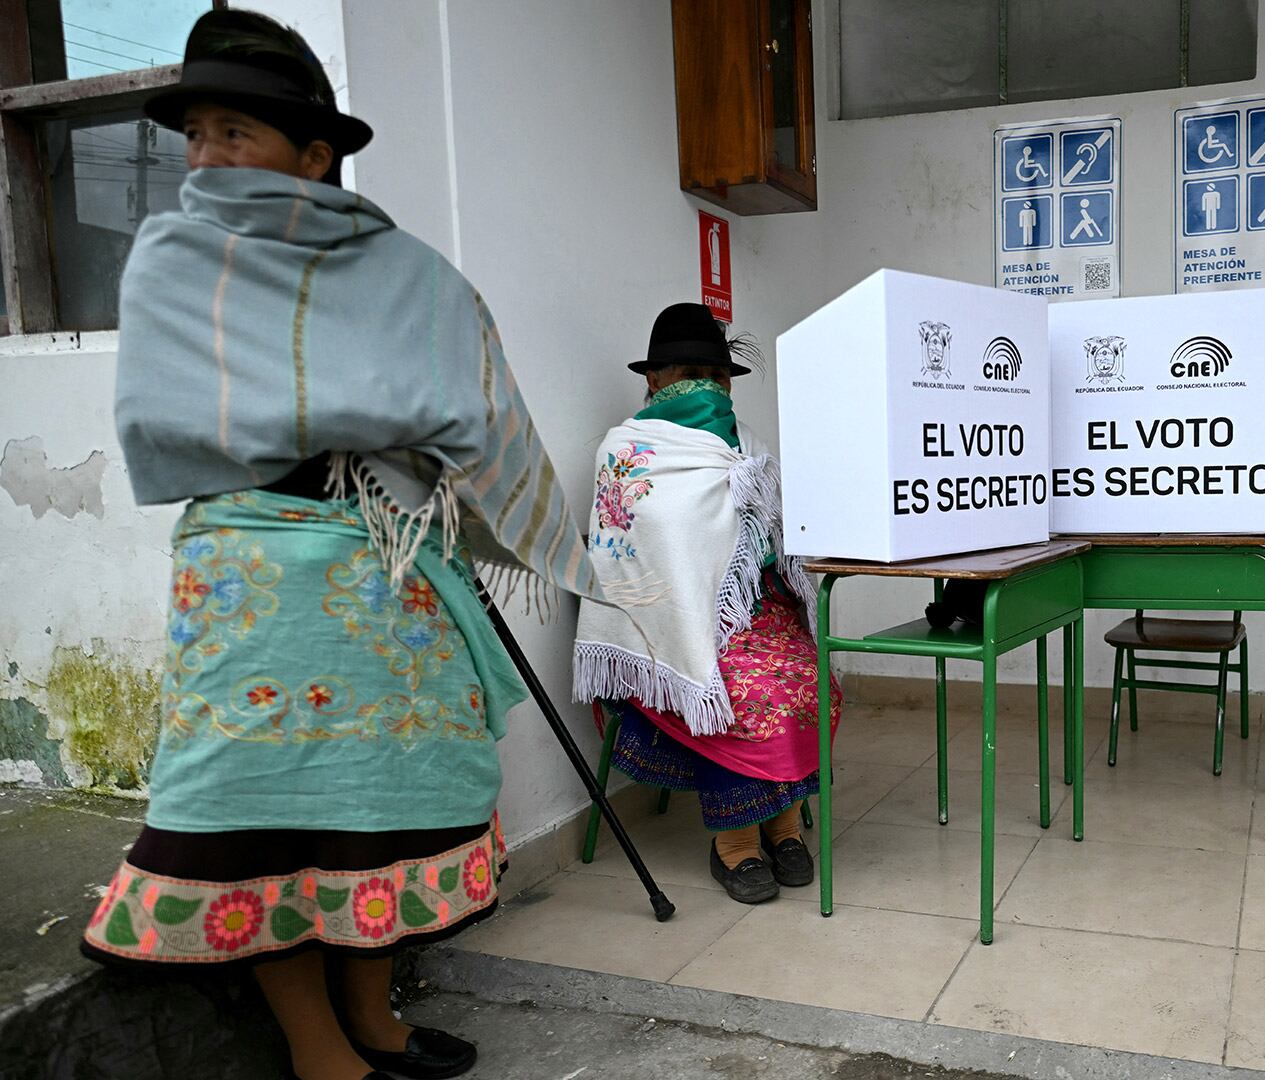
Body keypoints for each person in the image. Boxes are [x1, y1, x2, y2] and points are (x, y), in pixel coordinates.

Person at [82, 12, 634, 1080]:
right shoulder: (173, 261)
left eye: (235, 132)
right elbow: (158, 414)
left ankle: (374, 1016)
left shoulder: (406, 275)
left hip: (381, 568)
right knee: (260, 815)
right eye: (195, 134)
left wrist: (420, 458)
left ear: (313, 153)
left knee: (388, 805)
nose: (207, 158)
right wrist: (353, 415)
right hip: (246, 571)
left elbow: (473, 395)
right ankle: (317, 1048)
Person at [573, 303, 840, 904]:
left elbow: (777, 541)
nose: (703, 386)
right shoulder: (625, 453)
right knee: (748, 693)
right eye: (687, 371)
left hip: (754, 611)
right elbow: (651, 548)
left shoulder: (747, 445)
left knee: (810, 676)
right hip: (665, 628)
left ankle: (784, 824)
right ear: (654, 380)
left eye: (714, 376)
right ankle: (736, 843)